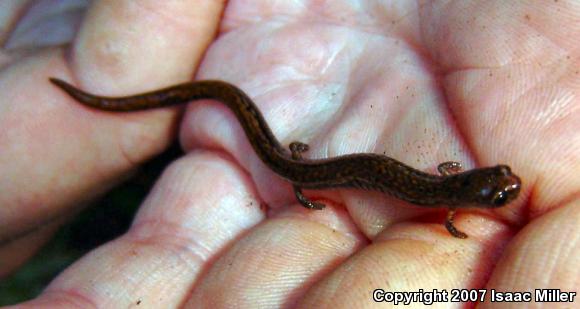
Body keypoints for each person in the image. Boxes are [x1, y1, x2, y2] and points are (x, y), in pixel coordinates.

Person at [1, 1, 578, 307]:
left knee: (296, 163)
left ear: (464, 188)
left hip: (296, 165)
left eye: (496, 188)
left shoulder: (442, 192)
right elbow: (442, 196)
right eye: (498, 183)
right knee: (292, 163)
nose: (505, 185)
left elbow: (442, 182)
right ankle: (292, 171)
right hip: (291, 167)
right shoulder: (443, 205)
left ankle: (295, 171)